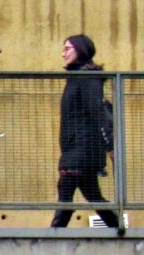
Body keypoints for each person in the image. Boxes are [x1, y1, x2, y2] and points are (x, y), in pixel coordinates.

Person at [50, 34, 121, 231]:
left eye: (67, 48)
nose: (63, 53)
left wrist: (109, 146)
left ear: (80, 50)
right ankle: (117, 228)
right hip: (77, 149)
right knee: (92, 195)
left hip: (82, 150)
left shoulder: (87, 78)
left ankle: (51, 236)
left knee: (66, 192)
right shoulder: (77, 77)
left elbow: (98, 113)